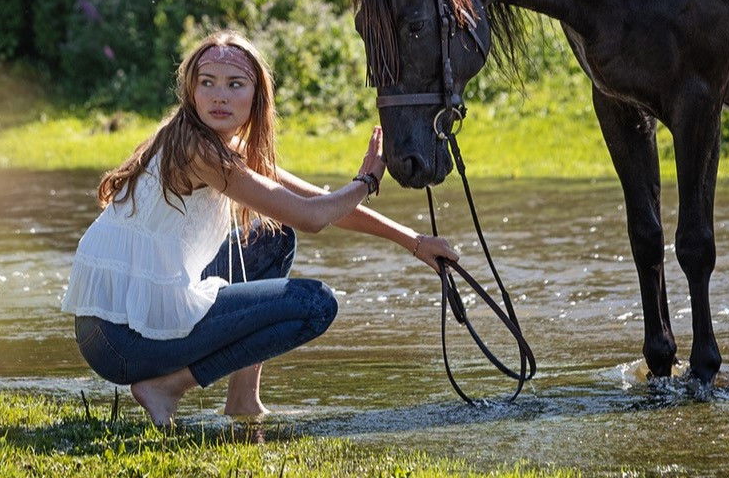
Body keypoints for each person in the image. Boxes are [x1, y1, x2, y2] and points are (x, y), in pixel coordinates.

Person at [60, 30, 458, 426]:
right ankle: (167, 386)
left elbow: (316, 203)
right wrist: (366, 182)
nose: (219, 96)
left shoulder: (217, 145)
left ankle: (243, 398)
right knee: (315, 305)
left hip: (118, 322)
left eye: (235, 84)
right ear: (191, 92)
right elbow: (312, 217)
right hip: (120, 340)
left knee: (274, 238)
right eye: (207, 83)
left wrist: (414, 241)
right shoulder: (197, 150)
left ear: (256, 96)